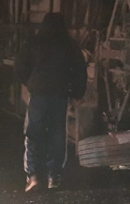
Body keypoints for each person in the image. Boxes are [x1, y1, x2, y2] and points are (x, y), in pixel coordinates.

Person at [15, 13, 87, 192]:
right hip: (59, 95)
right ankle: (53, 177)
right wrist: (77, 91)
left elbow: (20, 66)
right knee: (57, 134)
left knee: (33, 133)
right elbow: (79, 69)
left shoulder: (34, 42)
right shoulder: (69, 44)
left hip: (38, 95)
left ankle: (33, 176)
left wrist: (29, 82)